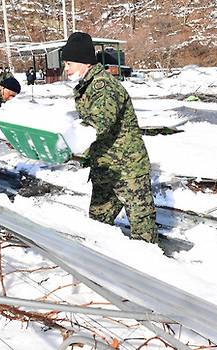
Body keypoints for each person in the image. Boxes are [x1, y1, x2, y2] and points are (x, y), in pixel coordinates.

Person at [61, 31, 158, 244]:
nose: (65, 69)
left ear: (83, 61)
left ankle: (147, 272)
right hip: (105, 166)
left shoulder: (103, 86)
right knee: (97, 224)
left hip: (128, 168)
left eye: (69, 63)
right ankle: (103, 267)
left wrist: (69, 142)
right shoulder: (87, 85)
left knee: (142, 232)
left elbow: (98, 122)